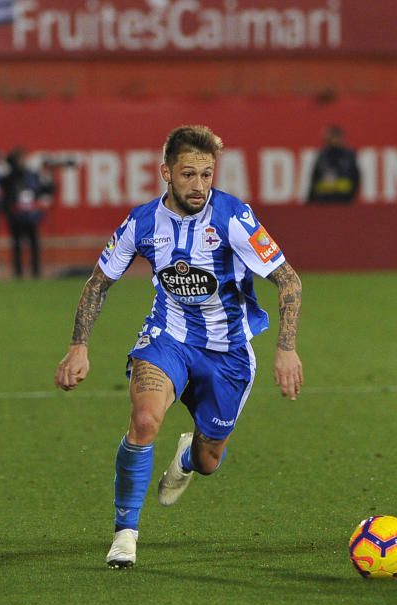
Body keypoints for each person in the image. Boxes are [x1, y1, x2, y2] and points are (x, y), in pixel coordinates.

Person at [54, 125, 304, 568]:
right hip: (167, 339)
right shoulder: (143, 221)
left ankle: (188, 455)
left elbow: (287, 279)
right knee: (145, 420)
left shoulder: (234, 217)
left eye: (207, 175)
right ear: (165, 172)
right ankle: (125, 535)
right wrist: (79, 346)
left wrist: (286, 348)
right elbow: (98, 283)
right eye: (189, 174)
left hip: (228, 353)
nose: (199, 185)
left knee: (210, 461)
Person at [0, 147, 52, 278]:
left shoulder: (31, 175)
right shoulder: (11, 176)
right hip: (16, 215)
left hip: (30, 215)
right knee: (17, 244)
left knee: (34, 243)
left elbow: (44, 189)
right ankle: (18, 272)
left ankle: (35, 271)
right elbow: (5, 188)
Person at [306, 124, 360, 204]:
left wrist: (349, 198)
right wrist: (310, 201)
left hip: (342, 200)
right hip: (323, 201)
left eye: (334, 137)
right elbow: (314, 179)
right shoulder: (321, 156)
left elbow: (356, 178)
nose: (330, 140)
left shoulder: (349, 156)